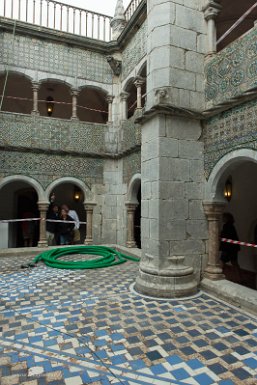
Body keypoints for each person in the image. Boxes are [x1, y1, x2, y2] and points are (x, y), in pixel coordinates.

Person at [220, 212, 241, 283]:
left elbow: (224, 236)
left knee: (222, 262)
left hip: (228, 248)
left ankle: (217, 276)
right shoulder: (231, 226)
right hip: (233, 248)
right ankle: (238, 279)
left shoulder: (226, 226)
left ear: (227, 218)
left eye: (224, 217)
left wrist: (219, 234)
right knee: (234, 263)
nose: (222, 218)